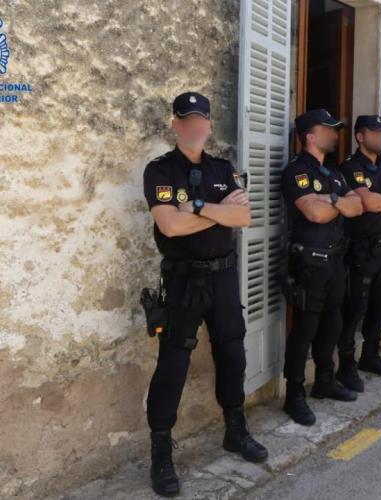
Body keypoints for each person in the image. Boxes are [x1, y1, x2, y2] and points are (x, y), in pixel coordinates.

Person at [142, 91, 267, 497]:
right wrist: (216, 210)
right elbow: (170, 226)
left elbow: (243, 216)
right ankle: (161, 452)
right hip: (183, 281)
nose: (195, 126)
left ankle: (235, 430)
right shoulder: (160, 171)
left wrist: (194, 207)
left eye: (201, 119)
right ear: (175, 125)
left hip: (223, 277)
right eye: (187, 119)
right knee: (173, 364)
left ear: (209, 125)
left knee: (232, 354)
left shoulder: (222, 168)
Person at [280, 108, 364, 425]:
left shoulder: (334, 174)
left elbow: (359, 206)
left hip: (335, 260)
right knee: (305, 328)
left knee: (333, 323)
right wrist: (338, 202)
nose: (335, 134)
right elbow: (314, 214)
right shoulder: (297, 171)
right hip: (309, 262)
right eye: (329, 129)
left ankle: (324, 381)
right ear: (311, 136)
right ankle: (294, 395)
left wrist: (331, 200)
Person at [335, 115, 381, 392]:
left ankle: (370, 355)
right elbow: (366, 203)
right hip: (359, 249)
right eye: (376, 133)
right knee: (354, 308)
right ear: (360, 136)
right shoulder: (349, 166)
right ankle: (346, 365)